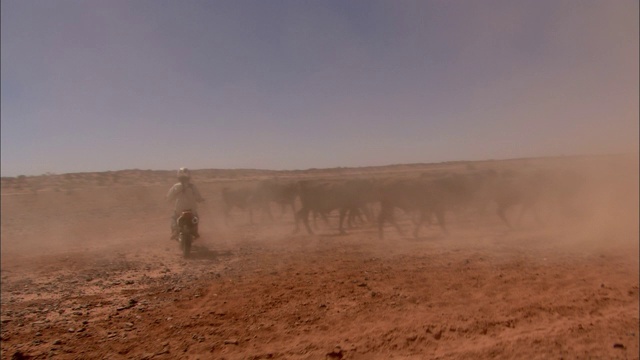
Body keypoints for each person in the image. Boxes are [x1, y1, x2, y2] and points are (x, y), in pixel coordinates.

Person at [166, 167, 205, 240]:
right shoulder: (193, 186)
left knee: (174, 218)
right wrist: (201, 200)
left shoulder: (175, 186)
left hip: (179, 209)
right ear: (189, 176)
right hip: (191, 209)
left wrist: (168, 200)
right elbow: (198, 197)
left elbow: (169, 197)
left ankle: (174, 231)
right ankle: (195, 231)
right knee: (196, 218)